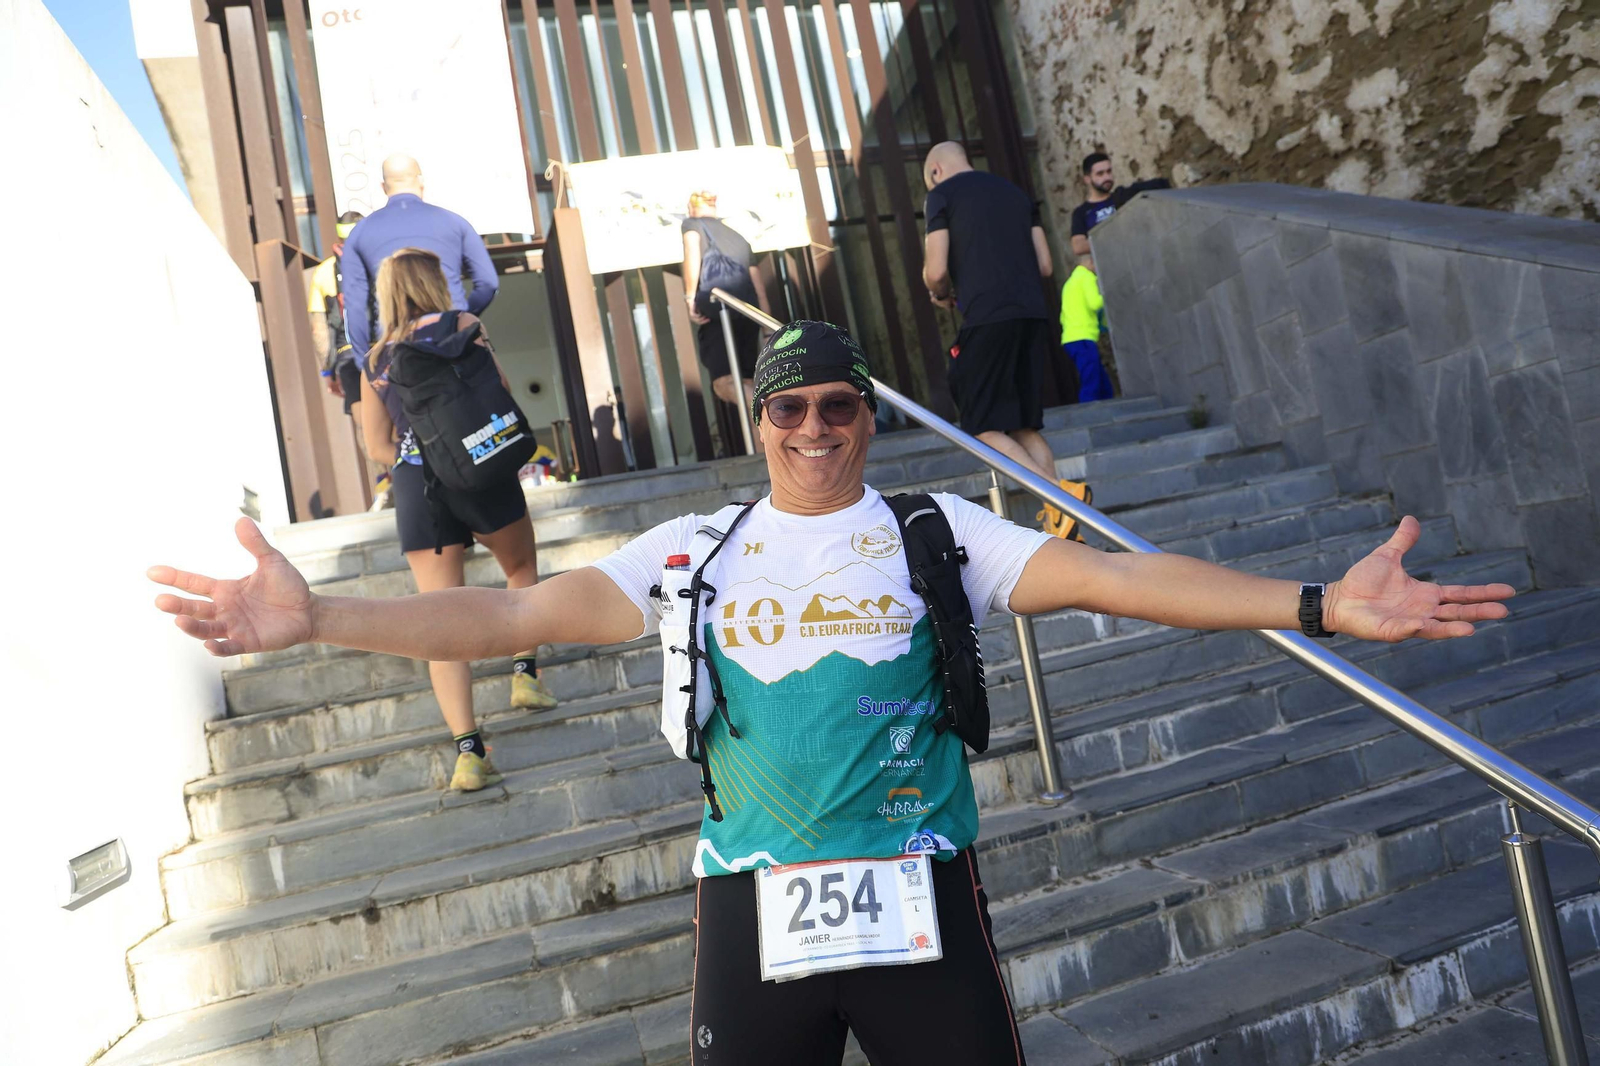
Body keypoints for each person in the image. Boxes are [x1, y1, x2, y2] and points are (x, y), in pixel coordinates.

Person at [151, 318, 1514, 1066]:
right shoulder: (690, 549)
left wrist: (1322, 604)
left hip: (920, 889)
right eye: (787, 408)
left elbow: (1119, 583)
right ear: (756, 422)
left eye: (838, 408)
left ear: (868, 417)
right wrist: (320, 611)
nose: (813, 428)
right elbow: (510, 607)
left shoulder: (940, 532)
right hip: (752, 899)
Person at [357, 247, 557, 789]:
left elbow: (376, 444)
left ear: (386, 293)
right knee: (520, 570)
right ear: (435, 283)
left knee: (438, 618)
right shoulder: (465, 324)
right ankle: (524, 675)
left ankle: (469, 754)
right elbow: (502, 393)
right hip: (480, 466)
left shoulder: (376, 359)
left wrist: (419, 450)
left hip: (418, 484)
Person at [920, 141, 1088, 539]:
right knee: (1024, 425)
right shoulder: (1015, 193)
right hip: (1032, 315)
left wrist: (938, 292)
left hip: (987, 318)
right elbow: (1046, 265)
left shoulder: (940, 196)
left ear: (936, 172)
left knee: (982, 425)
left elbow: (936, 270)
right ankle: (1063, 519)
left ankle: (1061, 496)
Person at [341, 154, 499, 364]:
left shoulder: (359, 233)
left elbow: (354, 307)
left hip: (397, 347)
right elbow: (488, 283)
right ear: (421, 180)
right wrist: (463, 316)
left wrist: (365, 363)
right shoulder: (454, 222)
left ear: (383, 186)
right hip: (453, 335)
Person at [681, 190, 770, 415]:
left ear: (692, 208)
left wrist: (690, 296)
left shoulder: (692, 224)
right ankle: (767, 440)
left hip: (718, 311)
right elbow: (758, 287)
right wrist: (767, 328)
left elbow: (692, 252)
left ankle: (773, 412)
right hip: (748, 314)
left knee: (724, 384)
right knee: (747, 383)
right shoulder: (739, 238)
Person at [307, 211, 367, 415]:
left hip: (347, 352)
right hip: (384, 346)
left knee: (363, 419)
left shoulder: (324, 272)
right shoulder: (378, 260)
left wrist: (328, 371)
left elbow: (319, 330)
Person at [1060, 259, 1114, 404]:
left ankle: (1108, 402)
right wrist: (1109, 294)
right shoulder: (1087, 277)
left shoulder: (1069, 283)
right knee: (1092, 379)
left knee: (1100, 379)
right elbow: (1094, 303)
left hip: (1071, 337)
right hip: (1082, 336)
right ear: (1091, 262)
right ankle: (1089, 410)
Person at [1070, 152, 1117, 263]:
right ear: (1087, 179)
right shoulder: (1081, 212)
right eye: (1100, 174)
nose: (1106, 177)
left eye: (1109, 171)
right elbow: (1078, 246)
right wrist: (1114, 239)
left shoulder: (1122, 198)